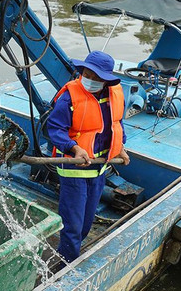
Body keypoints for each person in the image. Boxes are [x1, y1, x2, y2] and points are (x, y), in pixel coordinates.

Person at [45, 50, 130, 263]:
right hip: (74, 170)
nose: (90, 80)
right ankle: (67, 263)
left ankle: (71, 253)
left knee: (86, 222)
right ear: (81, 71)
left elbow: (116, 123)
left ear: (106, 80)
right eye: (87, 74)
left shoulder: (114, 96)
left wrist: (119, 147)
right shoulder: (69, 97)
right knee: (73, 224)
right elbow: (55, 128)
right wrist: (73, 148)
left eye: (96, 77)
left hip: (98, 170)